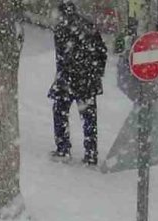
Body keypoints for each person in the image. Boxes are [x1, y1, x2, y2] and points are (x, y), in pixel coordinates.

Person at [49, 1, 109, 165]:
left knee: (60, 111)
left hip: (68, 80)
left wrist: (63, 76)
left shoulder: (61, 30)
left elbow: (61, 58)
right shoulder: (88, 26)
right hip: (88, 81)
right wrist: (96, 73)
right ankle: (91, 153)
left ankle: (63, 148)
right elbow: (102, 52)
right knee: (89, 118)